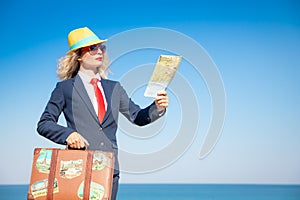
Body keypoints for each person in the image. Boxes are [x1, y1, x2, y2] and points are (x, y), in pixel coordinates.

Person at [37, 27, 168, 200]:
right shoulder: (64, 88)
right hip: (77, 169)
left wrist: (157, 107)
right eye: (92, 48)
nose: (99, 51)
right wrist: (68, 134)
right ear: (78, 55)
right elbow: (44, 123)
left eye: (101, 47)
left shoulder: (115, 88)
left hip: (110, 170)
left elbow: (138, 117)